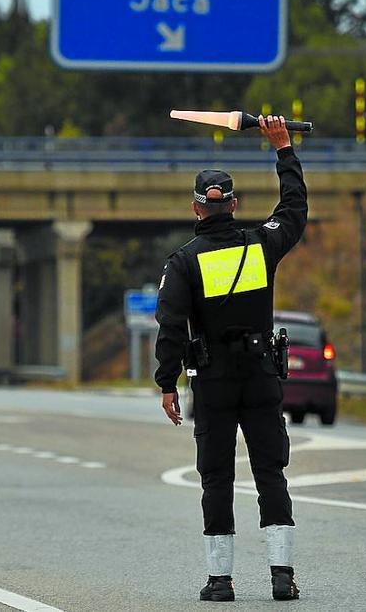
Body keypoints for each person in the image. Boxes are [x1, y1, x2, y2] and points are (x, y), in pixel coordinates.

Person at [154, 115, 307, 602]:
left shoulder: (183, 262)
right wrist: (283, 149)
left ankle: (221, 581)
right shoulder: (262, 245)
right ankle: (282, 576)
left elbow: (171, 327)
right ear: (235, 204)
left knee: (217, 478)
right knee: (270, 473)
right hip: (261, 377)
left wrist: (166, 383)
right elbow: (295, 209)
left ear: (197, 208)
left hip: (214, 382)